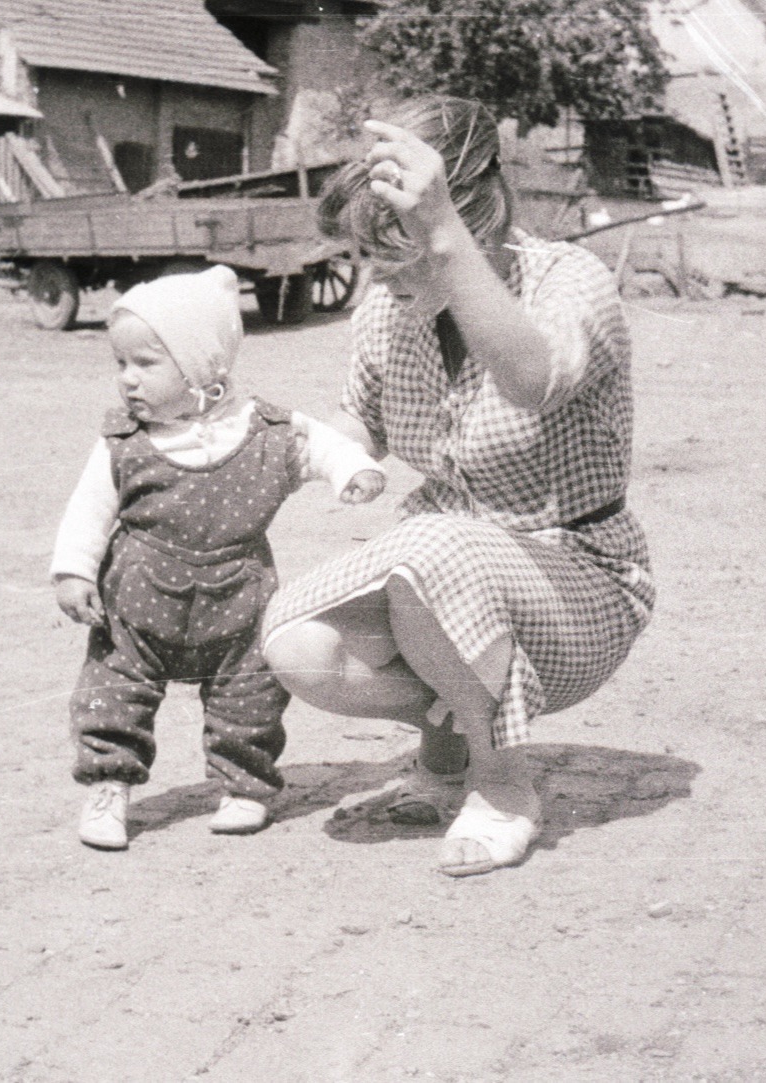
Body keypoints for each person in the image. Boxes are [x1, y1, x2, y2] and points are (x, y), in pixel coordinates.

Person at [261, 97, 655, 877]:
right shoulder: (387, 310)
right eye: (366, 255)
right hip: (448, 565)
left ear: (461, 220)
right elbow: (363, 420)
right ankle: (441, 767)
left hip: (580, 580)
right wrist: (278, 449)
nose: (373, 275)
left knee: (432, 547)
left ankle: (504, 786)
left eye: (395, 250)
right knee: (298, 645)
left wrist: (442, 238)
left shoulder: (568, 282)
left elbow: (532, 378)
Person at [52, 265, 386, 851]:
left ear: (202, 366)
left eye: (144, 364)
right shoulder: (124, 444)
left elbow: (320, 443)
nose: (127, 380)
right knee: (113, 690)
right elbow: (89, 509)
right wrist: (74, 570)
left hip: (238, 601)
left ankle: (244, 785)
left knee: (250, 690)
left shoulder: (264, 432)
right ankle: (108, 784)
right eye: (120, 365)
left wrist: (352, 469)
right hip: (137, 606)